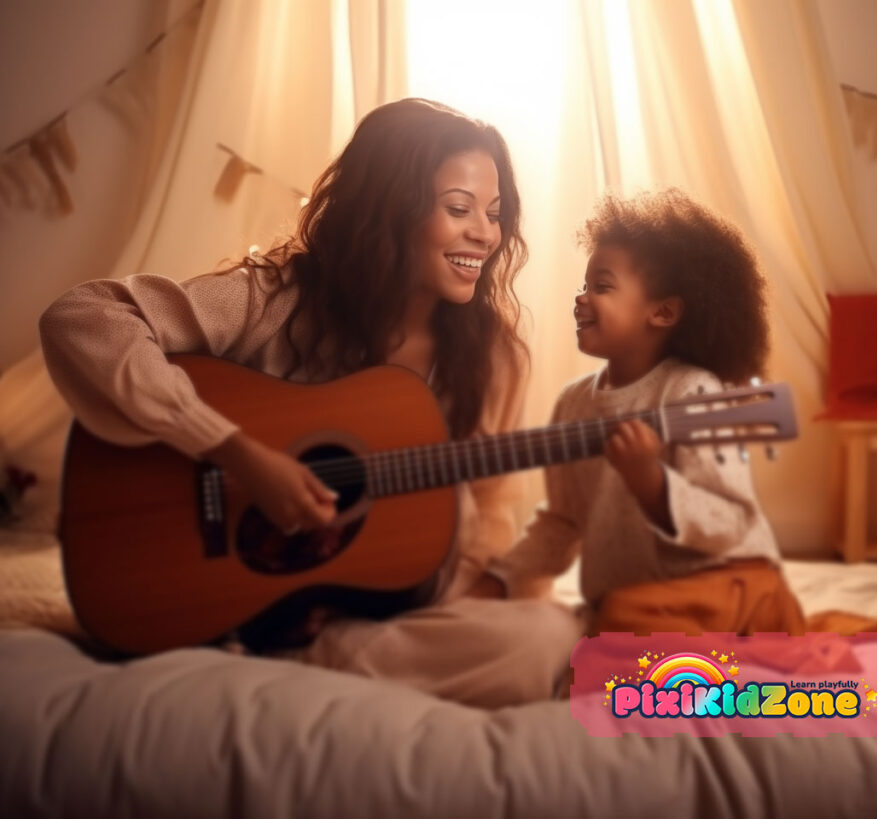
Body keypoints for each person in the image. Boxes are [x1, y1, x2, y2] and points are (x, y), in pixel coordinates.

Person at [39, 98, 583, 707]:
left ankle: (291, 661)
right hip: (218, 578)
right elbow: (83, 319)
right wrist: (235, 452)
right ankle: (280, 654)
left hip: (378, 604)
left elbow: (488, 511)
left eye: (495, 213)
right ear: (390, 208)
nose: (485, 233)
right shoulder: (275, 299)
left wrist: (452, 584)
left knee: (551, 632)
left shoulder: (493, 356)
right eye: (459, 209)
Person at [477, 189, 832, 637]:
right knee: (595, 626)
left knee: (615, 631)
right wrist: (502, 578)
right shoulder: (574, 403)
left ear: (662, 312)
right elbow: (563, 520)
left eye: (601, 287)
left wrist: (652, 483)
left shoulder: (691, 391)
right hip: (639, 606)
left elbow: (731, 521)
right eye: (584, 286)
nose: (582, 298)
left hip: (730, 588)